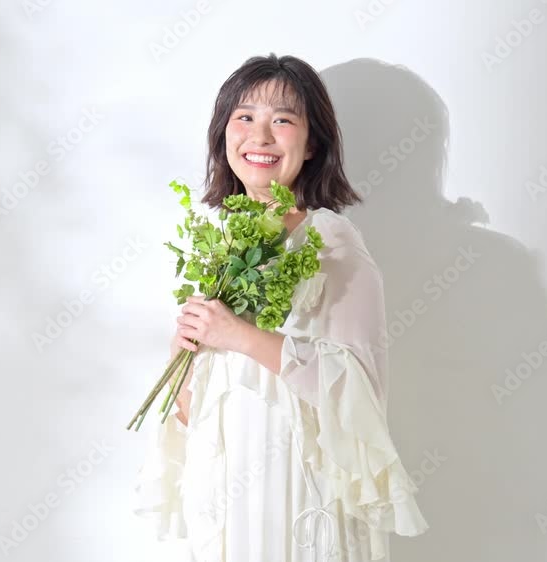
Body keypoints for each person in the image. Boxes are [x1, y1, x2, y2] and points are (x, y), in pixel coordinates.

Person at [134, 53, 428, 562]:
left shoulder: (330, 242)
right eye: (245, 117)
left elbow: (359, 391)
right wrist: (185, 354)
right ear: (223, 134)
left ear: (312, 144)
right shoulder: (220, 247)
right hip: (227, 502)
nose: (260, 136)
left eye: (283, 120)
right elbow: (194, 415)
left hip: (296, 496)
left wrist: (241, 336)